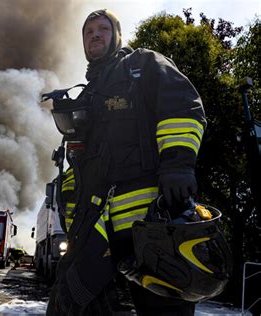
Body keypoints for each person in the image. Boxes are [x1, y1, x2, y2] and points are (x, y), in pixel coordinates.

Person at [44, 9, 206, 316]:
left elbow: (183, 106)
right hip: (97, 226)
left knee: (164, 309)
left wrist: (177, 164)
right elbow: (79, 161)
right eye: (88, 30)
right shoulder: (89, 94)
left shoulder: (142, 66)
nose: (94, 34)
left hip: (150, 224)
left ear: (116, 36)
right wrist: (68, 200)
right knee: (67, 304)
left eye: (103, 28)